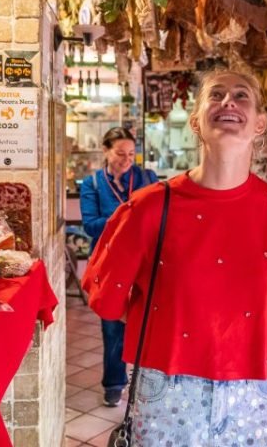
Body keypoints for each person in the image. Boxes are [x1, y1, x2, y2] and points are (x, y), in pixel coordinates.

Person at [82, 70, 267, 446]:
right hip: (166, 397)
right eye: (215, 95)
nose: (228, 102)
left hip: (256, 402)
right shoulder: (149, 207)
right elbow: (109, 298)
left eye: (241, 95)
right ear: (197, 121)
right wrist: (173, 325)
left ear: (260, 124)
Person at [79, 127, 158, 407]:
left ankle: (146, 381)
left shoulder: (147, 178)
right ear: (105, 151)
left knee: (148, 321)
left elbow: (158, 218)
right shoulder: (92, 184)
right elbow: (90, 226)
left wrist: (117, 220)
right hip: (109, 265)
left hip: (146, 262)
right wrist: (128, 217)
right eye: (120, 154)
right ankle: (114, 383)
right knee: (112, 324)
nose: (126, 160)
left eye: (131, 154)